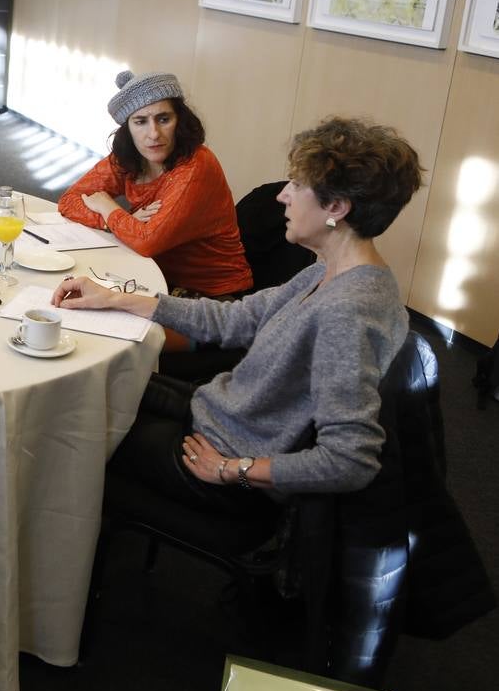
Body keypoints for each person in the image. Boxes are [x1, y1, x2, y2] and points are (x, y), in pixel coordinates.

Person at [53, 117, 424, 514]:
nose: (283, 196)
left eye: (297, 186)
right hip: (224, 413)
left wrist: (236, 470)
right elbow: (236, 320)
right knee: (91, 392)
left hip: (225, 453)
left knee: (69, 429)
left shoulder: (347, 313)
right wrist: (117, 299)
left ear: (336, 207)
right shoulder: (329, 271)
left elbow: (351, 460)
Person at [58, 70, 253, 298]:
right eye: (140, 121)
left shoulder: (197, 165)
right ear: (127, 128)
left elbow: (146, 241)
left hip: (211, 297)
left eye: (164, 119)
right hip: (148, 277)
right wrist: (118, 222)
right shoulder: (127, 157)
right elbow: (68, 202)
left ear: (179, 120)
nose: (154, 134)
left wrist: (109, 208)